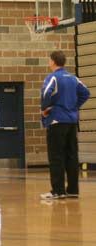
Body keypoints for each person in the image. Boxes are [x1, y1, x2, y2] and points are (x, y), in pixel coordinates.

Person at [40, 50, 90, 200]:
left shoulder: (53, 77)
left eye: (49, 60)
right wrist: (74, 106)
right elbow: (86, 92)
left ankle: (58, 191)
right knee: (71, 155)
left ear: (53, 61)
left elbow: (45, 94)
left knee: (56, 156)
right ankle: (73, 190)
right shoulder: (73, 78)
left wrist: (45, 109)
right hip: (71, 121)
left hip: (57, 121)